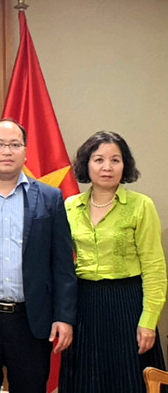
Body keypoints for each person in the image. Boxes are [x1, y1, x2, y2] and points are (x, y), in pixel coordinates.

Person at [0, 120, 77, 393]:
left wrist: (64, 317)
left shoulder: (50, 198)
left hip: (31, 320)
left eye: (15, 145)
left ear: (26, 152)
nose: (7, 151)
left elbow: (63, 264)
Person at [59, 131, 166, 393]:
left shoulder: (141, 206)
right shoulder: (70, 206)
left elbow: (154, 267)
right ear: (86, 164)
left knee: (129, 382)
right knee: (85, 381)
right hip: (83, 306)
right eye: (98, 160)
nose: (107, 167)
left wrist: (149, 320)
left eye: (115, 160)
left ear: (125, 165)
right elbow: (60, 265)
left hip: (127, 305)